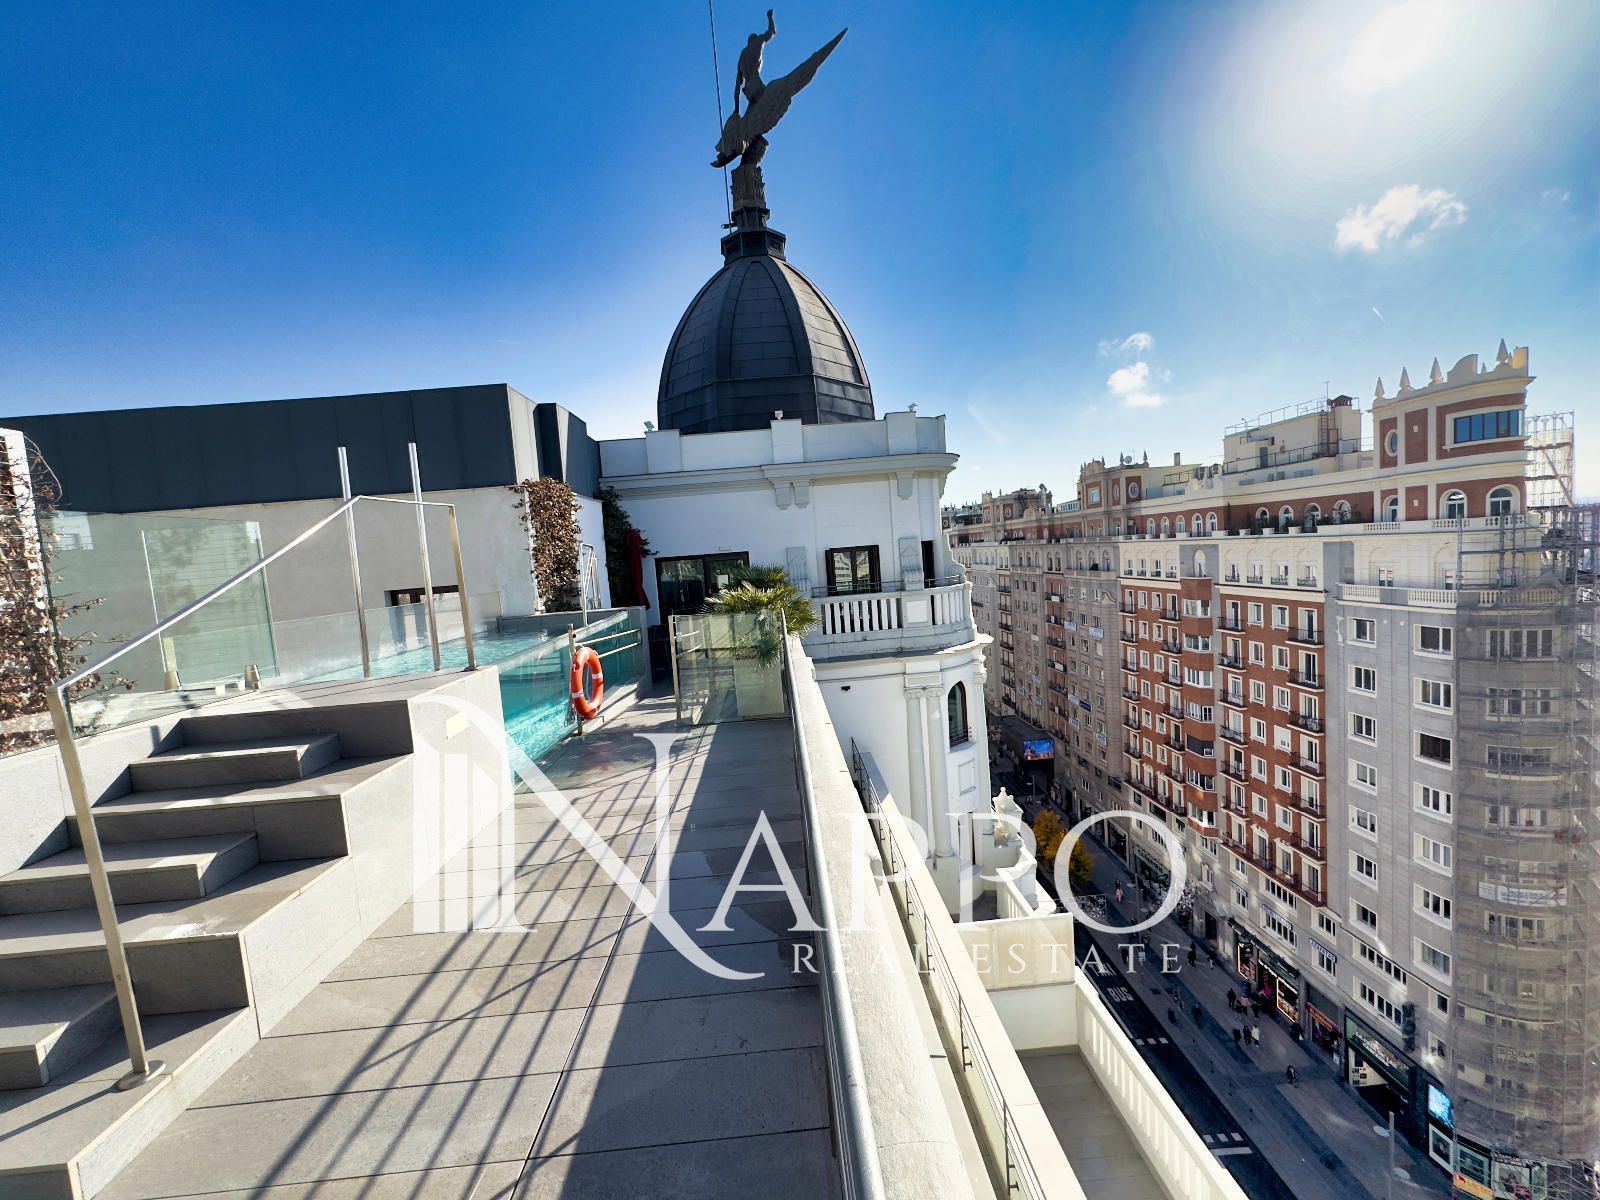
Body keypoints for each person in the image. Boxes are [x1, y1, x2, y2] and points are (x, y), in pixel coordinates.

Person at [735, 9, 778, 111]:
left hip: (748, 91)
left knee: (752, 114)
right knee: (771, 105)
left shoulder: (742, 56)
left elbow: (737, 88)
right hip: (756, 83)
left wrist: (736, 110)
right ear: (755, 38)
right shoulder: (758, 41)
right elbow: (772, 32)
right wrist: (770, 17)